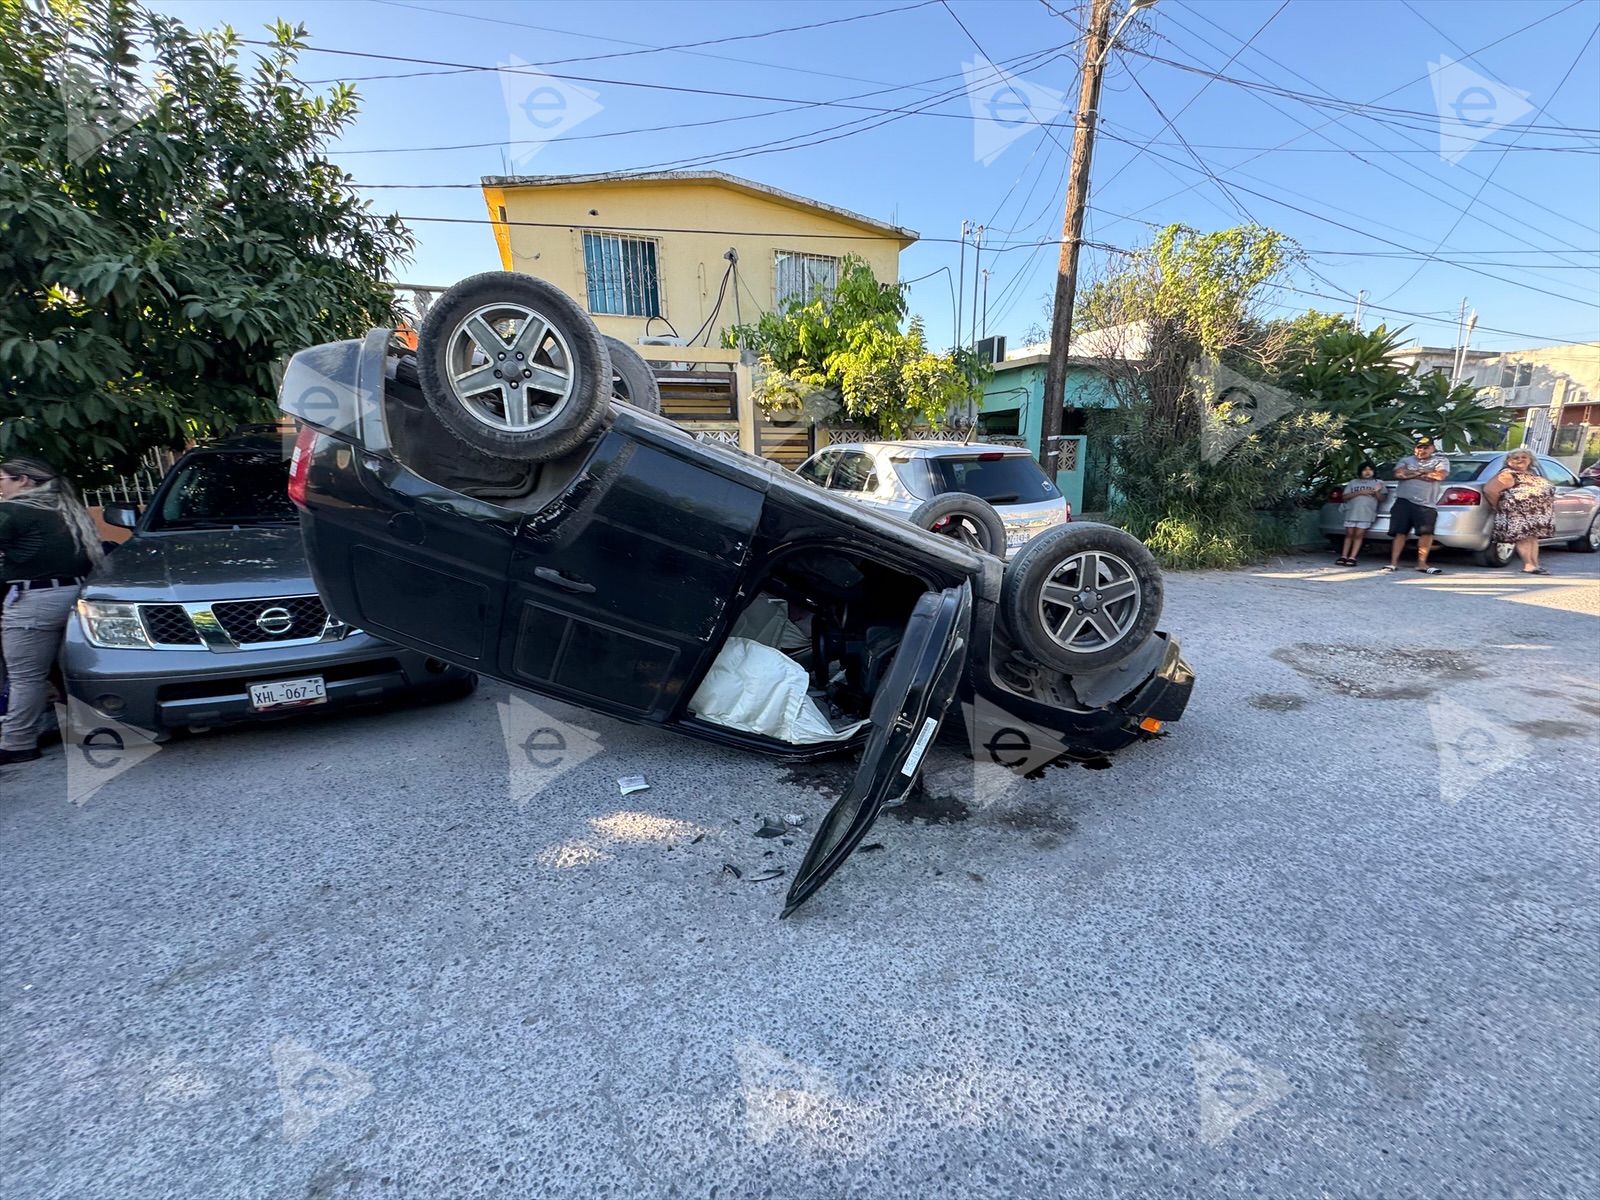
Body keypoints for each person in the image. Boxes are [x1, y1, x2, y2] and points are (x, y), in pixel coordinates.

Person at [0, 457, 104, 764]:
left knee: (25, 676)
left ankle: (18, 742)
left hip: (33, 601)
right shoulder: (66, 509)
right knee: (76, 670)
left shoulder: (13, 511)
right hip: (78, 594)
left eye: (1, 480)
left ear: (24, 481)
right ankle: (96, 728)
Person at [1383, 436, 1450, 575]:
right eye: (1419, 447)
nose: (1422, 450)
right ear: (1415, 449)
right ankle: (1393, 563)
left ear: (1433, 448)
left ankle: (1421, 563)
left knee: (1426, 534)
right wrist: (1423, 473)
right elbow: (1398, 474)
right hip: (1403, 501)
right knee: (1400, 533)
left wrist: (1412, 473)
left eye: (1426, 447)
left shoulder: (1440, 460)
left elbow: (1440, 476)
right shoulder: (1405, 460)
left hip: (1426, 504)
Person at [1483, 448, 1555, 575]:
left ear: (1530, 460)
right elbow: (1490, 490)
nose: (1520, 460)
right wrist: (1498, 506)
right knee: (1524, 539)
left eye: (1524, 457)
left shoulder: (1532, 473)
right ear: (1508, 461)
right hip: (1518, 514)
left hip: (1537, 514)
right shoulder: (1507, 475)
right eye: (1515, 458)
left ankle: (1535, 564)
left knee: (1533, 539)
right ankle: (1528, 565)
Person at [1335, 462, 1384, 565]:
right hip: (1352, 512)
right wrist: (1360, 492)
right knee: (1349, 534)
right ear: (1360, 471)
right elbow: (1344, 497)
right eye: (1364, 470)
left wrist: (1377, 491)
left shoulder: (1378, 483)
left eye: (1370, 470)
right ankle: (1343, 556)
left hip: (1366, 513)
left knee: (1359, 535)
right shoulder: (1353, 482)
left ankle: (1352, 557)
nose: (1367, 472)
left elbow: (1382, 499)